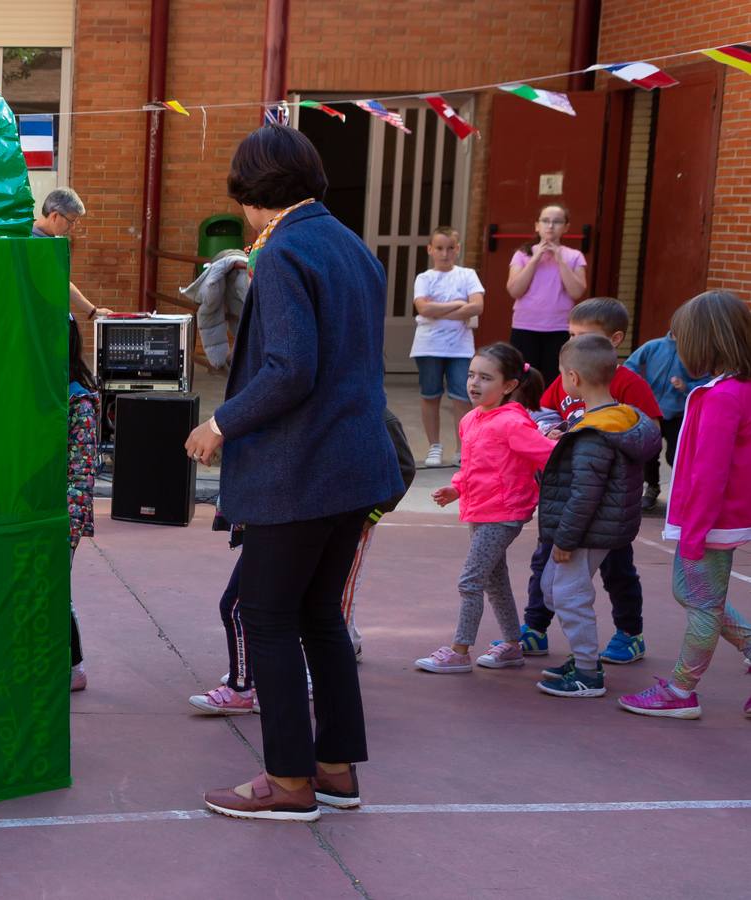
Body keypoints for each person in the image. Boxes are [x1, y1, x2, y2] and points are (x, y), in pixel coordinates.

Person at [186, 125, 401, 821]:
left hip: (299, 470)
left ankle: (287, 780)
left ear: (253, 192)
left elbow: (289, 370)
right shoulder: (354, 248)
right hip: (356, 468)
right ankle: (335, 769)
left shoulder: (283, 252)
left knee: (269, 615)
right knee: (320, 617)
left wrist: (219, 424)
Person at [189, 408, 414, 715]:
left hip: (341, 523)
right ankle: (267, 674)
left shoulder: (375, 418)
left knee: (329, 605)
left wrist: (369, 515)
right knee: (288, 601)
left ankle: (307, 673)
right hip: (296, 520)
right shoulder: (303, 415)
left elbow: (403, 470)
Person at [620, 291, 751, 719]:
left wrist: (694, 532)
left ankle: (681, 691)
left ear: (705, 341)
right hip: (708, 521)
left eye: (681, 339)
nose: (676, 348)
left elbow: (710, 473)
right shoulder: (725, 389)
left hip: (709, 524)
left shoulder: (723, 397)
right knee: (691, 594)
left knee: (701, 604)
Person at [521, 299, 662, 664]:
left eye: (582, 337)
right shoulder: (567, 378)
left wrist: (603, 443)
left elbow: (648, 434)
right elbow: (546, 410)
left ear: (613, 341)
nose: (572, 344)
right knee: (546, 563)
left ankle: (629, 633)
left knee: (617, 571)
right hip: (568, 501)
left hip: (606, 506)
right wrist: (552, 429)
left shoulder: (629, 385)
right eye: (570, 335)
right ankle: (535, 627)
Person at [417, 344, 553, 674]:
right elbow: (474, 464)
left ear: (509, 386)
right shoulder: (470, 420)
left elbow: (550, 455)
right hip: (480, 509)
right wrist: (457, 487)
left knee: (470, 580)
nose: (474, 383)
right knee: (494, 580)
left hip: (504, 514)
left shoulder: (512, 423)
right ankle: (512, 646)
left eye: (485, 377)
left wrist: (573, 443)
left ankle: (460, 650)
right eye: (471, 375)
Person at [411, 226, 484, 468]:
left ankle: (463, 447)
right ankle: (434, 445)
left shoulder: (468, 275)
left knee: (462, 397)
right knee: (430, 394)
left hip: (460, 347)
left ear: (458, 249)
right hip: (428, 345)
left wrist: (438, 310)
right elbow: (423, 309)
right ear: (430, 249)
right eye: (439, 248)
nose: (445, 253)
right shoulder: (424, 278)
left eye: (450, 248)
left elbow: (477, 306)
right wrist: (457, 304)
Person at [625, 330, 709, 510]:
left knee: (676, 455)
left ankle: (684, 491)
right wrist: (638, 384)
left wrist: (687, 386)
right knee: (648, 453)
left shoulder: (696, 352)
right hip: (650, 412)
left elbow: (708, 381)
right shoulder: (653, 346)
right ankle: (652, 487)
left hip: (677, 414)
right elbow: (629, 366)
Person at [505, 204, 587, 385]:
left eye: (557, 222)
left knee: (554, 380)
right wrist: (535, 259)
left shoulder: (574, 256)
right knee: (523, 381)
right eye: (545, 221)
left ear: (566, 227)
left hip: (559, 327)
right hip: (525, 325)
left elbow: (577, 291)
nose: (550, 226)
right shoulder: (522, 254)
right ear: (537, 225)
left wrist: (560, 260)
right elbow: (514, 290)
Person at [68, 317, 100, 693]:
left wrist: (71, 520)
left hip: (64, 513)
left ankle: (74, 666)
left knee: (57, 589)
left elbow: (82, 469)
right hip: (37, 510)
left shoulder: (78, 399)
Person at [32, 188, 112, 321]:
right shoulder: (32, 243)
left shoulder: (49, 241)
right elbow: (60, 282)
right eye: (71, 221)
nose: (72, 227)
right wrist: (92, 310)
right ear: (55, 216)